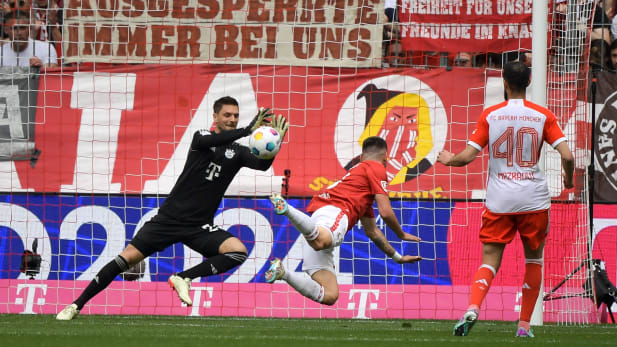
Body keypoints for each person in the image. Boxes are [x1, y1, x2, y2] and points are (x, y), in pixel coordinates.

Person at [56, 96, 289, 320]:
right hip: (168, 220)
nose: (232, 119)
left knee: (237, 251)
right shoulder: (201, 138)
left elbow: (261, 165)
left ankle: (183, 278)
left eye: (236, 116)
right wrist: (248, 130)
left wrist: (274, 145)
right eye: (227, 115)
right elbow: (212, 141)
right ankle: (76, 305)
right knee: (124, 260)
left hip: (198, 226)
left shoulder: (237, 152)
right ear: (215, 116)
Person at [437, 61, 574, 338]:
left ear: (505, 82)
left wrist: (450, 160)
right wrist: (569, 180)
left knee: (489, 260)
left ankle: (474, 307)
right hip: (534, 199)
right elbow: (568, 156)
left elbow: (467, 157)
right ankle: (523, 326)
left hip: (499, 199)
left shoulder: (491, 115)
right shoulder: (542, 115)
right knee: (534, 261)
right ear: (529, 82)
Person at [265, 136, 422, 305]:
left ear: (361, 157)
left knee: (330, 295)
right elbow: (385, 211)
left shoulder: (359, 190)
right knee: (320, 241)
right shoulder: (376, 168)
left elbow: (373, 232)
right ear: (385, 159)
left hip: (319, 219)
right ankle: (287, 209)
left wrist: (397, 257)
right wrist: (401, 233)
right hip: (335, 213)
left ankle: (283, 272)